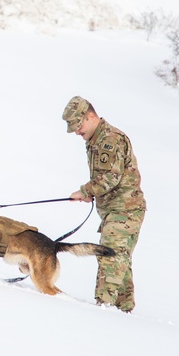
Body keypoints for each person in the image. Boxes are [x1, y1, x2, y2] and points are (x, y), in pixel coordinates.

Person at [62, 96, 146, 312]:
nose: (77, 132)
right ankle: (123, 310)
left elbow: (110, 177)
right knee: (120, 261)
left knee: (109, 256)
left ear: (90, 116)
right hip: (115, 210)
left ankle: (104, 310)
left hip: (124, 210)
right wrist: (91, 193)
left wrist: (85, 191)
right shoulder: (96, 139)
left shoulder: (110, 139)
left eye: (78, 125)